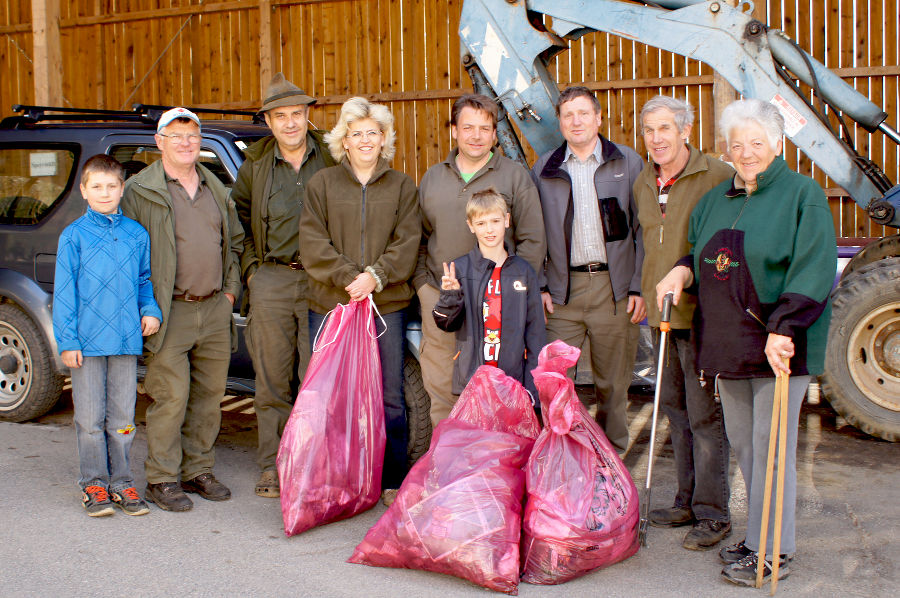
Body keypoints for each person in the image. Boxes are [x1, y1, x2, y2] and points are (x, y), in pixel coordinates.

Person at [656, 98, 837, 586]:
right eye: (738, 144)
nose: (747, 152)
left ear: (776, 144)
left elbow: (815, 266)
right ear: (727, 149)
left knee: (771, 450)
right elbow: (698, 254)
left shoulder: (803, 195)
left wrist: (785, 327)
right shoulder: (716, 200)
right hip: (728, 346)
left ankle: (773, 551)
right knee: (747, 448)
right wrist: (679, 270)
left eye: (757, 142)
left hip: (778, 345)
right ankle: (759, 535)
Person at [299, 97, 420, 506]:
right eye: (357, 133)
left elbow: (408, 242)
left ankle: (391, 480)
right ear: (344, 142)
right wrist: (350, 277)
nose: (365, 140)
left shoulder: (403, 186)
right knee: (330, 396)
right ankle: (334, 478)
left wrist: (375, 277)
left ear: (383, 139)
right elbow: (313, 242)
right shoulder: (322, 185)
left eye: (373, 132)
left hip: (386, 307)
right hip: (331, 305)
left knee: (389, 396)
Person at [122, 107, 244, 512]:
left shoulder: (216, 188)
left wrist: (228, 293)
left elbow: (235, 246)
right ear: (159, 142)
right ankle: (161, 478)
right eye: (176, 135)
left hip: (212, 308)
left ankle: (198, 470)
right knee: (170, 396)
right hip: (167, 311)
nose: (186, 142)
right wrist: (144, 306)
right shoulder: (140, 191)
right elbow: (129, 255)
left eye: (192, 135)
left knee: (209, 396)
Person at [634, 95, 734, 550]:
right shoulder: (643, 181)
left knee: (705, 415)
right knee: (674, 409)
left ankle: (714, 514)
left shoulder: (715, 175)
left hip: (700, 317)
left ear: (685, 130)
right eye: (649, 130)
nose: (656, 138)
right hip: (662, 316)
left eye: (665, 129)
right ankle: (686, 500)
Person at [232, 73, 335, 498]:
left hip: (320, 280)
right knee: (272, 381)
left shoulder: (331, 155)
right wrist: (253, 270)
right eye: (280, 116)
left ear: (307, 116)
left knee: (316, 380)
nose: (290, 122)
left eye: (297, 113)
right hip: (272, 279)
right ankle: (273, 467)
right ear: (268, 121)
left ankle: (313, 465)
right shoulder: (255, 165)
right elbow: (238, 219)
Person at [415, 94, 545, 425]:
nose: (476, 135)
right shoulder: (432, 178)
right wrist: (423, 287)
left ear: (494, 133)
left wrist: (518, 287)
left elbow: (532, 237)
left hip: (500, 297)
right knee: (444, 381)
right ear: (454, 131)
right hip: (446, 295)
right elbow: (419, 238)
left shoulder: (514, 176)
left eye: (485, 128)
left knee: (503, 382)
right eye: (468, 127)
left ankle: (499, 464)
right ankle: (446, 464)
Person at [531, 86, 646, 451]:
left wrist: (638, 286)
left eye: (584, 113)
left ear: (598, 118)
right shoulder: (545, 169)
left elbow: (645, 230)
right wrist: (541, 284)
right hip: (563, 294)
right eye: (568, 115)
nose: (576, 121)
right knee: (552, 381)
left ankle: (612, 463)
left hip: (614, 292)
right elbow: (531, 232)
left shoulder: (627, 162)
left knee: (612, 385)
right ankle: (558, 456)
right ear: (560, 123)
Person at [53, 154, 162, 517]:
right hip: (85, 344)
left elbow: (144, 280)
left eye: (111, 186)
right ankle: (94, 482)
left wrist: (150, 310)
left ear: (121, 189)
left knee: (123, 418)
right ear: (84, 191)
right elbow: (65, 292)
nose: (104, 193)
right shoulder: (74, 237)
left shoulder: (136, 234)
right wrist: (67, 342)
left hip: (124, 341)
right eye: (96, 186)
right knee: (89, 418)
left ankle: (122, 482)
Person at [432, 188, 545, 401]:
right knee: (478, 435)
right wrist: (450, 296)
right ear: (471, 226)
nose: (489, 230)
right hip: (473, 382)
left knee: (510, 435)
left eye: (495, 221)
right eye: (481, 223)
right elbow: (446, 324)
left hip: (514, 381)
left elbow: (536, 333)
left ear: (507, 220)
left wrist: (532, 389)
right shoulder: (460, 269)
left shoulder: (523, 271)